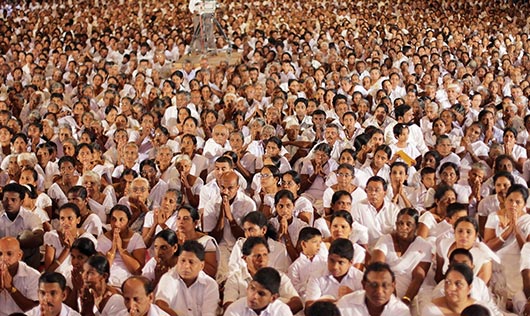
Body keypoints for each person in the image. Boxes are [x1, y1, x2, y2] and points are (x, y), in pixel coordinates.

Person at [223, 237, 303, 314]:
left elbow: (297, 303)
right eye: (257, 256)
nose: (262, 260)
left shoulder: (279, 276)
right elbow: (228, 306)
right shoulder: (235, 279)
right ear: (245, 258)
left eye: (265, 255)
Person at [371, 208, 431, 305]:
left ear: (417, 227)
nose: (404, 227)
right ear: (396, 224)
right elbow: (378, 268)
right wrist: (391, 298)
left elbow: (418, 277)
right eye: (400, 223)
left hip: (412, 292)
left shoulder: (424, 246)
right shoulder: (385, 240)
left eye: (409, 224)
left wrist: (406, 300)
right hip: (384, 287)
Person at [155, 240, 219, 316]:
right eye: (183, 261)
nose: (186, 266)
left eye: (191, 262)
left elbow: (209, 314)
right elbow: (161, 306)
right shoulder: (168, 278)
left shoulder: (210, 284)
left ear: (202, 265)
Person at [305, 238, 363, 310]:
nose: (335, 267)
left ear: (350, 263)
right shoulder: (316, 276)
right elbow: (308, 309)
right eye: (331, 260)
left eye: (341, 262)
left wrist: (353, 296)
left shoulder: (360, 278)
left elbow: (368, 309)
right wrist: (334, 303)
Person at [96, 205, 146, 287]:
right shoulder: (102, 239)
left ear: (128, 222)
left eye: (121, 220)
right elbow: (101, 269)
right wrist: (113, 248)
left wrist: (121, 249)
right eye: (113, 219)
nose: (116, 224)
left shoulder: (136, 239)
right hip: (108, 282)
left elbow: (137, 271)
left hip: (130, 283)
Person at [336, 262, 411, 316]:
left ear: (393, 286)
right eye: (374, 285)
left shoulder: (401, 312)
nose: (379, 291)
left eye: (385, 285)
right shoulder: (346, 303)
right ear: (364, 284)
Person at [43, 203, 97, 276]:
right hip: (56, 279)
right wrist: (67, 249)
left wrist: (74, 246)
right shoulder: (52, 237)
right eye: (62, 218)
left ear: (78, 220)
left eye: (70, 218)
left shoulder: (87, 238)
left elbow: (89, 268)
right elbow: (48, 271)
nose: (66, 222)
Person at [0, 182, 44, 269]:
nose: (9, 203)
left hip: (23, 259)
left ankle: (29, 276)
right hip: (2, 256)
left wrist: (14, 244)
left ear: (21, 202)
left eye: (13, 200)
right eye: (6, 199)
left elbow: (39, 237)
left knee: (29, 238)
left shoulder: (31, 217)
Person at [421, 263, 493, 316]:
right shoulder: (431, 311)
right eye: (447, 282)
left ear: (469, 288)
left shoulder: (481, 310)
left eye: (458, 284)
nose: (451, 288)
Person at [224, 267, 293, 316]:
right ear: (248, 287)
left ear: (273, 298)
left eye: (261, 294)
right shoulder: (234, 309)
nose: (254, 296)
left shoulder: (282, 311)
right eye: (252, 288)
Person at [0, 236, 40, 315]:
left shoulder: (33, 276)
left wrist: (11, 288)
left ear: (19, 255)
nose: (3, 258)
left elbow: (36, 310)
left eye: (9, 254)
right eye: (0, 253)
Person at [287, 227, 327, 301]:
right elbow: (293, 290)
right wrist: (308, 283)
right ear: (303, 244)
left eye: (320, 242)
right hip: (305, 301)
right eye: (315, 242)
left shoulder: (324, 262)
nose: (318, 246)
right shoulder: (295, 266)